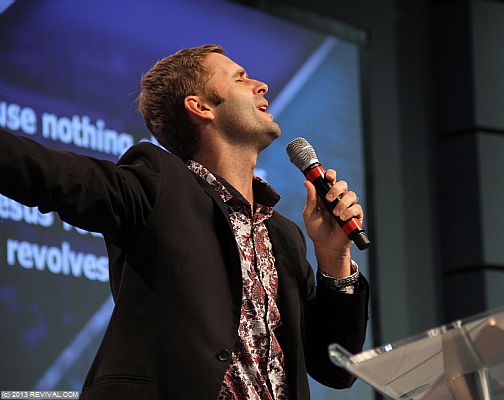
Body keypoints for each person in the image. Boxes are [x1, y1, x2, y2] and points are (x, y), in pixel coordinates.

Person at [0, 44, 369, 399]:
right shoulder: (158, 185)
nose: (261, 85)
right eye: (239, 78)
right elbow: (52, 174)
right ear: (200, 107)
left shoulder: (285, 235)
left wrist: (333, 256)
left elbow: (334, 368)